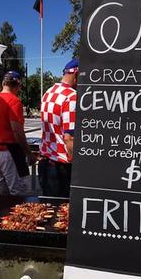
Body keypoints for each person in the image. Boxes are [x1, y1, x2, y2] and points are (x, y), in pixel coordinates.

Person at [0, 71, 36, 195]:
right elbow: (17, 130)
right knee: (18, 191)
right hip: (11, 152)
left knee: (2, 190)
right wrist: (28, 153)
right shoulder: (14, 101)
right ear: (17, 86)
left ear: (3, 83)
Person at [38, 59, 78, 197]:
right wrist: (78, 170)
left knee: (49, 206)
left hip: (46, 163)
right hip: (61, 169)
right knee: (63, 208)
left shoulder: (49, 92)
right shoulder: (71, 96)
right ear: (77, 74)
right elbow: (69, 138)